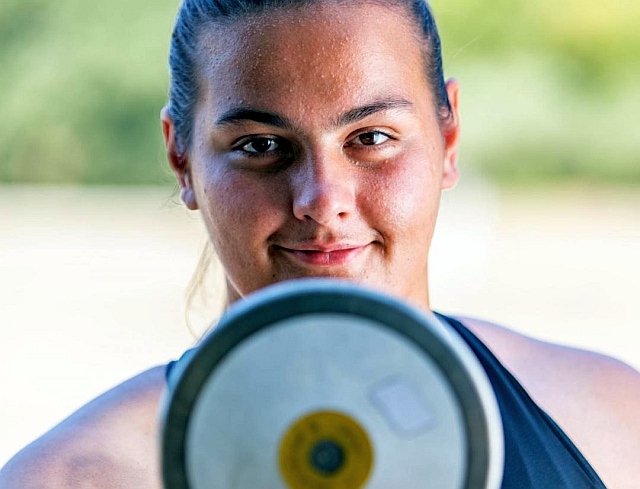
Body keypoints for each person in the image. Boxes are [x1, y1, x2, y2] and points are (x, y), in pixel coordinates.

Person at [1, 0, 639, 487]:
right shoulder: (70, 478)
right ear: (181, 158)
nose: (322, 198)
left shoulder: (611, 422)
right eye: (260, 146)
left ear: (447, 140)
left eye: (372, 138)